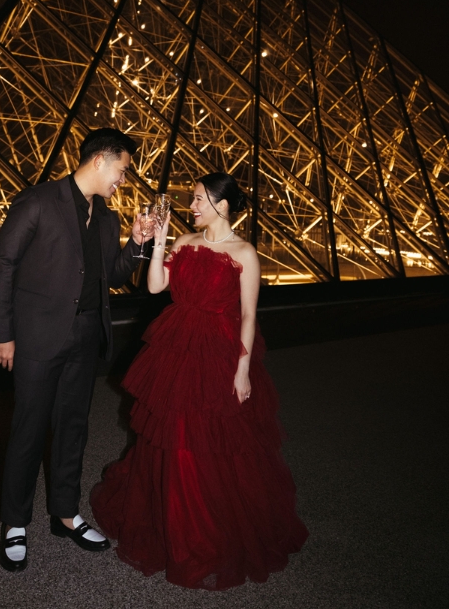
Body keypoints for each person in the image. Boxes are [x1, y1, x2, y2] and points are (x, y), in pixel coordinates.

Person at [89, 173, 308, 590]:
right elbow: (156, 285)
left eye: (197, 200)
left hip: (218, 354)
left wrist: (241, 370)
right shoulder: (185, 242)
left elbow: (248, 316)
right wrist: (160, 242)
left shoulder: (245, 252)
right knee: (172, 439)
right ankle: (177, 523)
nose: (191, 206)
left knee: (212, 443)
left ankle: (209, 528)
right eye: (192, 199)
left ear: (222, 206)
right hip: (176, 349)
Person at [0, 128, 149, 572]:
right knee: (27, 430)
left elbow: (111, 275)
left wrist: (136, 243)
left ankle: (65, 514)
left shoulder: (109, 218)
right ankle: (15, 523)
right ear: (100, 159)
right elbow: (3, 264)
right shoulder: (39, 201)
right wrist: (3, 334)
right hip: (38, 338)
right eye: (122, 168)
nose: (124, 178)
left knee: (73, 428)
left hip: (84, 338)